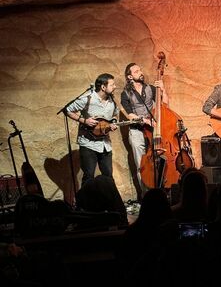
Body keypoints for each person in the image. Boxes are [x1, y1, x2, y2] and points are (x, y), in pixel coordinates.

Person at [120, 62, 168, 194]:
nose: (140, 73)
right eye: (136, 71)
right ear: (129, 77)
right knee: (142, 165)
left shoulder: (151, 88)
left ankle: (162, 191)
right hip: (137, 131)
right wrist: (145, 120)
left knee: (159, 160)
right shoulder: (125, 94)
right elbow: (130, 115)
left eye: (140, 70)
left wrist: (163, 90)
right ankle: (146, 195)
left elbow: (165, 105)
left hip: (153, 130)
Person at [66, 73, 118, 186]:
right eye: (112, 84)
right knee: (89, 177)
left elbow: (115, 114)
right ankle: (86, 203)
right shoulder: (88, 98)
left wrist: (113, 123)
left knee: (108, 176)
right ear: (103, 87)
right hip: (88, 144)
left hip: (105, 144)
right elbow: (68, 110)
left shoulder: (112, 101)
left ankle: (109, 203)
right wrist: (84, 120)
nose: (115, 87)